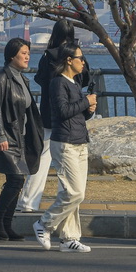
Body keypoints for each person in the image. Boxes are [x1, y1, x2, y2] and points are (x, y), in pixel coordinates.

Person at [0, 38, 43, 240]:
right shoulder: (1, 77)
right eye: (23, 53)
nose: (27, 56)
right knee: (16, 178)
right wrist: (0, 135)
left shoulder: (23, 79)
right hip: (7, 137)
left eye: (28, 53)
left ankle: (5, 224)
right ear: (12, 55)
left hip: (20, 137)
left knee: (16, 179)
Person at [21, 19, 94, 212]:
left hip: (48, 110)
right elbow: (85, 78)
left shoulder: (49, 55)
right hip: (72, 112)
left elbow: (39, 78)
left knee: (43, 157)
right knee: (68, 164)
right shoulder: (76, 55)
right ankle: (67, 201)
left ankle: (29, 202)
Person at [34, 42, 96, 253]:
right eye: (80, 59)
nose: (83, 63)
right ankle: (44, 223)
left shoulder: (75, 83)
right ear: (69, 60)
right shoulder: (58, 83)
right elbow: (61, 111)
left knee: (74, 194)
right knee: (75, 193)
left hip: (80, 141)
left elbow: (77, 114)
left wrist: (89, 109)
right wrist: (86, 102)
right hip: (65, 143)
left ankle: (69, 238)